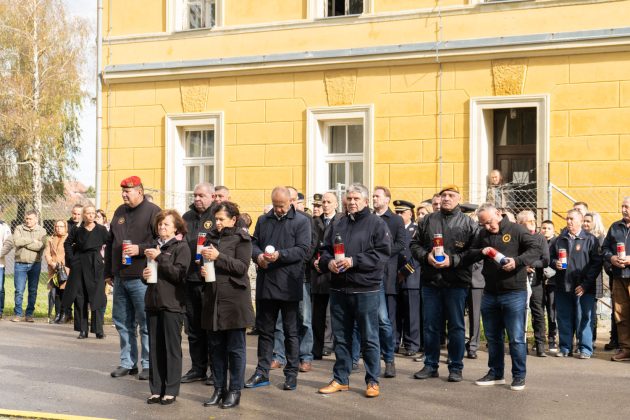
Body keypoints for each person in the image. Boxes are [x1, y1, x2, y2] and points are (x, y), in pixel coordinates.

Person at [317, 183, 390, 398]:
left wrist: (354, 261)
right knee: (341, 337)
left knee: (369, 338)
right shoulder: (338, 223)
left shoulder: (376, 224)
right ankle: (341, 379)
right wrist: (328, 263)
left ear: (366, 201)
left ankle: (373, 380)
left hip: (366, 289)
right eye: (349, 198)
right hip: (339, 288)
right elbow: (325, 250)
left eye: (356, 198)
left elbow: (382, 254)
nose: (352, 202)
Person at [245, 187, 311, 391]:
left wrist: (279, 255)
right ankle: (261, 372)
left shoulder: (301, 221)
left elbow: (303, 250)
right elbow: (254, 244)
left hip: (289, 284)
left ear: (290, 202)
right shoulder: (264, 220)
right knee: (265, 331)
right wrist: (258, 256)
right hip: (267, 282)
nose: (278, 209)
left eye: (281, 206)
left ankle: (291, 374)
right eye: (275, 205)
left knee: (291, 332)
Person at [410, 185, 477, 383]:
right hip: (431, 281)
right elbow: (414, 245)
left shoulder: (468, 223)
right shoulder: (427, 220)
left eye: (451, 195)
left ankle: (456, 367)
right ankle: (430, 365)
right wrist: (426, 257)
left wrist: (453, 261)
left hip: (456, 282)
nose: (446, 198)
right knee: (430, 326)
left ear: (459, 198)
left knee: (456, 327)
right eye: (443, 195)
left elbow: (474, 252)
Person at [470, 203, 540, 391]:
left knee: (516, 337)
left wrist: (517, 262)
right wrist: (481, 252)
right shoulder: (483, 234)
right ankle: (495, 373)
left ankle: (519, 376)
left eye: (489, 222)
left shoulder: (517, 230)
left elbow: (536, 248)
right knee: (493, 337)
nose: (488, 227)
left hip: (514, 292)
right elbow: (470, 253)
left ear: (498, 213)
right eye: (483, 224)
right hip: (490, 292)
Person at [201, 202, 255, 409]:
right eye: (216, 219)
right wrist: (204, 269)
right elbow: (204, 262)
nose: (218, 222)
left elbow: (241, 267)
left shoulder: (242, 238)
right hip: (213, 297)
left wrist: (219, 257)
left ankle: (234, 390)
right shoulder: (210, 237)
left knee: (235, 348)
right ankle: (218, 389)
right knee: (215, 348)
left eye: (221, 219)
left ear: (233, 219)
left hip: (234, 300)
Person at [105, 175, 161, 380]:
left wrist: (140, 249)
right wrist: (108, 272)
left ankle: (148, 364)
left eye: (127, 191)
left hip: (141, 277)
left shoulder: (153, 212)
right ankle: (127, 363)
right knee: (122, 321)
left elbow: (161, 242)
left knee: (145, 323)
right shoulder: (119, 211)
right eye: (123, 191)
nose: (123, 195)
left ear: (139, 191)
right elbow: (110, 243)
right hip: (120, 276)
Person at [142, 209, 190, 405]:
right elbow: (150, 274)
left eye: (166, 224)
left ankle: (170, 390)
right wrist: (144, 275)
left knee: (171, 348)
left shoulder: (181, 247)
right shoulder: (154, 245)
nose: (162, 227)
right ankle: (156, 389)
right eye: (160, 224)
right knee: (155, 348)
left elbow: (179, 275)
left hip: (172, 304)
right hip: (153, 303)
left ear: (176, 228)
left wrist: (160, 257)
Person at [269, 187, 317, 373]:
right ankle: (278, 355)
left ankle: (305, 356)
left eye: (295, 199)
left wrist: (295, 263)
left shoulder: (305, 220)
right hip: (279, 276)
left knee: (304, 318)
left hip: (300, 275)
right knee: (280, 320)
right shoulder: (273, 219)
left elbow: (309, 247)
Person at [550, 209, 602, 359]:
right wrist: (554, 263)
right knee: (564, 317)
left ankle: (585, 348)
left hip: (584, 288)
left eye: (572, 219)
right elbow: (549, 257)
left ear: (580, 220)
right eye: (567, 219)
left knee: (584, 318)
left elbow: (596, 264)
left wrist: (585, 285)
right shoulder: (559, 239)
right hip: (563, 285)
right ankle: (565, 347)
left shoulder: (590, 239)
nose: (569, 221)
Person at [181, 182, 216, 385]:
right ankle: (198, 368)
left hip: (209, 280)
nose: (197, 199)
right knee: (193, 328)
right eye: (195, 195)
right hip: (190, 279)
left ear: (212, 196)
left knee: (211, 327)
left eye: (201, 195)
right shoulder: (187, 217)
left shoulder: (218, 215)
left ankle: (215, 369)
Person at [372, 186, 405, 377]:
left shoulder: (396, 219)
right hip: (368, 273)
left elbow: (401, 244)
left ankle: (389, 358)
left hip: (388, 273)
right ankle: (360, 357)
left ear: (387, 200)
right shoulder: (368, 218)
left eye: (377, 196)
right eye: (373, 196)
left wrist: (380, 252)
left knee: (385, 319)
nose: (374, 199)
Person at [63, 206, 109, 339]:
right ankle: (83, 329)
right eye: (88, 213)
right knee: (80, 297)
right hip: (79, 264)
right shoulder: (77, 229)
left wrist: (105, 260)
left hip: (96, 265)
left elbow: (110, 244)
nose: (91, 215)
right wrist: (72, 259)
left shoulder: (101, 229)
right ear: (83, 215)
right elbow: (67, 243)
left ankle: (98, 329)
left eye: (93, 213)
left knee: (97, 297)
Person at [311, 192, 342, 360]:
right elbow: (309, 245)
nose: (325, 205)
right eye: (323, 202)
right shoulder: (314, 221)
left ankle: (335, 347)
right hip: (318, 275)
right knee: (317, 315)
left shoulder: (341, 221)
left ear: (336, 204)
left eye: (329, 202)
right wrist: (313, 262)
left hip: (335, 273)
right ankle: (317, 348)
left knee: (336, 314)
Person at [516, 210, 550, 357]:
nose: (533, 223)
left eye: (534, 221)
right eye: (529, 221)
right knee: (519, 312)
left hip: (536, 281)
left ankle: (540, 344)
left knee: (538, 312)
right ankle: (520, 343)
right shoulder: (516, 237)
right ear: (520, 224)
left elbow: (546, 260)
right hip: (518, 281)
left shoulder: (540, 238)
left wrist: (531, 264)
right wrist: (523, 266)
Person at [601, 197, 630, 361]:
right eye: (622, 206)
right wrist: (611, 258)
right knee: (621, 313)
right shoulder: (615, 227)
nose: (623, 210)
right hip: (619, 277)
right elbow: (604, 248)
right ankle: (626, 348)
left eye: (627, 207)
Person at [393, 199, 422, 358]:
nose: (398, 215)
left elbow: (417, 254)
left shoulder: (416, 230)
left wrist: (405, 271)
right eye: (396, 212)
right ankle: (394, 343)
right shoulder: (392, 228)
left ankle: (412, 344)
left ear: (410, 214)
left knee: (411, 314)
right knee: (395, 313)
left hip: (411, 276)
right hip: (393, 277)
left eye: (401, 212)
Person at [9, 210, 47, 322]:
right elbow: (17, 242)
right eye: (26, 218)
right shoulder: (19, 228)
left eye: (30, 219)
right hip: (20, 264)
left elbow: (40, 246)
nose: (28, 221)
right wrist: (32, 241)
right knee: (19, 290)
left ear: (36, 219)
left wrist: (25, 243)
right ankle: (18, 314)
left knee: (33, 290)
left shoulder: (42, 230)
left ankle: (29, 314)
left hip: (35, 264)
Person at [582, 211, 607, 343]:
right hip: (582, 276)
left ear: (595, 223)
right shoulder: (581, 236)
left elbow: (599, 260)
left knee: (591, 310)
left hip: (594, 277)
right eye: (584, 221)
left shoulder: (600, 238)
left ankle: (591, 339)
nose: (585, 224)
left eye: (588, 221)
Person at [44, 220, 69, 324]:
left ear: (65, 227)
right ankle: (57, 314)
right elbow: (47, 253)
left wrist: (60, 264)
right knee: (56, 292)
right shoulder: (51, 239)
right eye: (57, 226)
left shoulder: (69, 238)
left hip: (64, 269)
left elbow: (69, 253)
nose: (59, 228)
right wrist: (51, 263)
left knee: (64, 292)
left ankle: (64, 314)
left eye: (61, 226)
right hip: (53, 269)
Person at [540, 219, 558, 352]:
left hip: (553, 281)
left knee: (552, 311)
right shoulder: (537, 241)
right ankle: (539, 339)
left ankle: (552, 339)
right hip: (538, 281)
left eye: (549, 228)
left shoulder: (557, 242)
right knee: (539, 311)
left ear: (553, 230)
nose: (546, 230)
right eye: (544, 228)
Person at [0, 205, 12, 320]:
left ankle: (0, 311)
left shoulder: (4, 227)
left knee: (0, 288)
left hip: (0, 264)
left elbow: (8, 244)